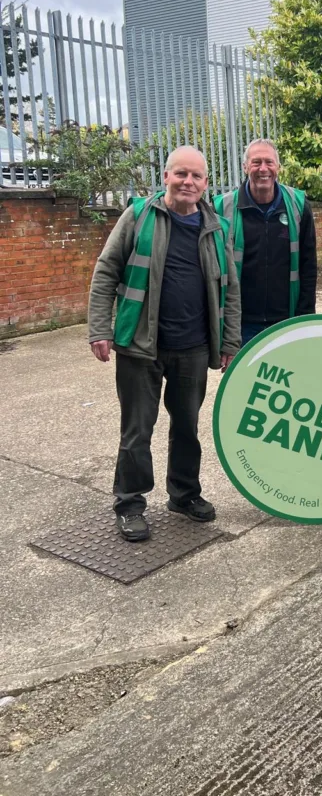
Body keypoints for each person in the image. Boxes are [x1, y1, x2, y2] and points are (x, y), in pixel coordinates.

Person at [88, 146, 241, 542]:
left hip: (194, 347)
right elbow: (106, 270)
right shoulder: (138, 216)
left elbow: (230, 288)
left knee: (187, 426)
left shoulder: (216, 226)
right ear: (166, 176)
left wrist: (230, 340)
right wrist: (100, 328)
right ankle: (130, 504)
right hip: (141, 345)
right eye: (181, 174)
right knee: (137, 430)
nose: (188, 181)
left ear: (206, 183)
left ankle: (184, 494)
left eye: (196, 176)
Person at [214, 139, 317, 345]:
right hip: (241, 324)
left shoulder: (298, 205)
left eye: (269, 162)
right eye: (256, 162)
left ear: (278, 167)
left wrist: (304, 319)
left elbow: (308, 266)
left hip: (287, 320)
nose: (263, 169)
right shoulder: (222, 208)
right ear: (245, 167)